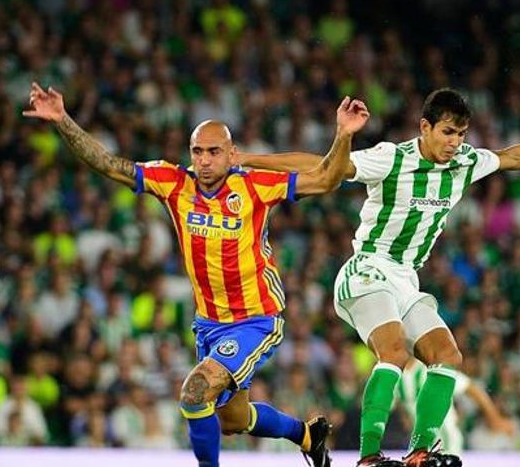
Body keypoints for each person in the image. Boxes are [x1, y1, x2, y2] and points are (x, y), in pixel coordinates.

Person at [240, 88, 520, 466]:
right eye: (447, 132)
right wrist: (249, 159)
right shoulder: (391, 158)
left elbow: (513, 156)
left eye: (461, 134)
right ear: (424, 127)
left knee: (447, 355)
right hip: (366, 268)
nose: (454, 143)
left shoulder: (465, 161)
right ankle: (369, 456)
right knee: (394, 351)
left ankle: (421, 451)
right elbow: (317, 165)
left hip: (404, 279)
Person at [23, 82, 371, 466]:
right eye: (198, 152)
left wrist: (343, 135)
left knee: (195, 392)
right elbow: (109, 164)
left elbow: (325, 179)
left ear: (231, 154)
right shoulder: (174, 184)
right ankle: (308, 435)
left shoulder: (255, 186)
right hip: (209, 323)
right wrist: (62, 120)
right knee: (233, 420)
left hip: (255, 318)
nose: (204, 160)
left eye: (214, 152)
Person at [398, 359, 514, 456]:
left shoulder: (431, 370)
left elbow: (470, 387)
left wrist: (494, 418)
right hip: (421, 447)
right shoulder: (397, 376)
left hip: (446, 444)